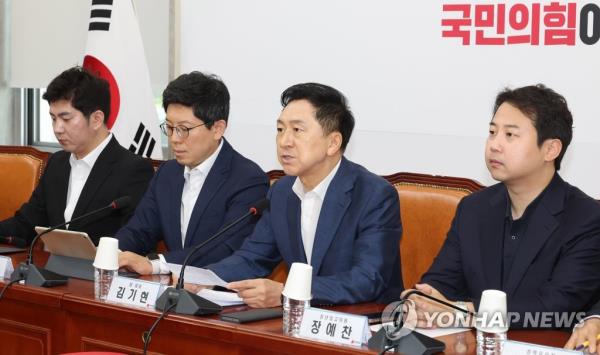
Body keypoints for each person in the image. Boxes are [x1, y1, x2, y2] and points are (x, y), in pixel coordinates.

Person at [405, 84, 600, 328]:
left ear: (550, 149)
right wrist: (423, 299)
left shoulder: (585, 219)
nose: (495, 145)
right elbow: (442, 280)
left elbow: (553, 308)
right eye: (492, 132)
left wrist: (461, 311)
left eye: (510, 135)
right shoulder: (474, 209)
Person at [201, 83, 403, 308]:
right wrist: (200, 279)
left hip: (364, 321)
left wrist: (287, 292)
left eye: (297, 130)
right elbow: (252, 257)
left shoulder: (374, 195)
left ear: (333, 143)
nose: (284, 141)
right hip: (299, 321)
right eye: (280, 130)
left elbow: (367, 280)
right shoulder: (282, 191)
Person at [117, 72, 268, 274]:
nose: (174, 139)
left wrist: (155, 264)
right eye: (169, 127)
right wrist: (113, 252)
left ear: (217, 129)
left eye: (184, 129)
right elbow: (140, 229)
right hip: (172, 293)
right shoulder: (167, 173)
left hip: (220, 295)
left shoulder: (247, 180)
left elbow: (224, 250)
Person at [0, 66, 153, 245]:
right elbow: (25, 224)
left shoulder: (132, 170)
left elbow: (137, 239)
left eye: (66, 119)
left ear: (96, 119)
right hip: (52, 270)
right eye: (53, 118)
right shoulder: (57, 163)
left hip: (99, 271)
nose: (57, 128)